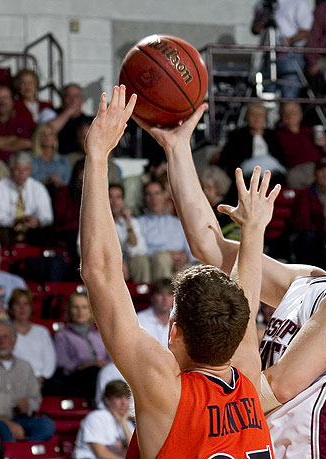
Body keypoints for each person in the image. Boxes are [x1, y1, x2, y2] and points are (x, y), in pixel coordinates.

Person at [136, 91, 326, 457]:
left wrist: (195, 406)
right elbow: (210, 247)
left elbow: (280, 386)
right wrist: (176, 148)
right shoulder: (308, 281)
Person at [80, 86, 274, 459]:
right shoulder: (248, 374)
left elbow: (100, 271)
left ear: (174, 332)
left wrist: (97, 154)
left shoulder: (165, 389)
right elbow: (245, 304)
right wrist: (253, 233)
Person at [0, 321, 54, 442]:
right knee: (2, 429)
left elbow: (35, 397)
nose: (1, 341)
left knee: (46, 425)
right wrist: (5, 421)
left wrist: (28, 405)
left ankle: (25, 454)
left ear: (14, 340)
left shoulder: (25, 366)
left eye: (6, 337)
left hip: (20, 418)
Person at [0, 151, 54, 247]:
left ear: (31, 171)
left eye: (25, 169)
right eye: (17, 169)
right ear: (10, 170)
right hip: (8, 230)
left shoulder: (38, 187)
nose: (21, 173)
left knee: (48, 232)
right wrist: (15, 221)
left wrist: (37, 221)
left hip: (33, 230)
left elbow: (47, 216)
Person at [251, 0, 313, 98]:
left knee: (289, 95)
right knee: (267, 94)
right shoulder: (262, 4)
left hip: (290, 54)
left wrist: (290, 40)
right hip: (268, 54)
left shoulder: (298, 3)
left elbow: (306, 30)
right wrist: (261, 20)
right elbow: (255, 29)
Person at [53, 292, 109, 399]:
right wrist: (87, 364)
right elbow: (63, 363)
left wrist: (105, 364)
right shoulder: (62, 335)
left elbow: (111, 358)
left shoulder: (100, 335)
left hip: (103, 372)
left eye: (84, 307)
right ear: (69, 311)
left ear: (90, 311)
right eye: (76, 307)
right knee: (94, 372)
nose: (80, 312)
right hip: (77, 376)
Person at [135, 181, 193, 282]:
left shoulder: (178, 223)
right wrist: (168, 254)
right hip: (156, 261)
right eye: (149, 194)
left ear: (164, 196)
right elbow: (139, 250)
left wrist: (186, 257)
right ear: (145, 199)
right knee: (162, 258)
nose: (154, 198)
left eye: (157, 193)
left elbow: (191, 249)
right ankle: (165, 296)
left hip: (179, 263)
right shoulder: (139, 223)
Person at [216, 102, 285, 179]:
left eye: (260, 115)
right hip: (247, 172)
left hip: (271, 170)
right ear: (247, 117)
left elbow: (280, 156)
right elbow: (229, 158)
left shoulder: (272, 135)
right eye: (253, 115)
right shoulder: (238, 135)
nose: (257, 118)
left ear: (265, 118)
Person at [72, 380, 134, 459]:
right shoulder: (96, 417)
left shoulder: (126, 421)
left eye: (127, 398)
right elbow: (101, 453)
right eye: (118, 397)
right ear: (107, 400)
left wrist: (124, 423)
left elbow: (134, 451)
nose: (124, 402)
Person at [8, 289, 56, 387]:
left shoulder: (42, 331)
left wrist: (42, 377)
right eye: (18, 304)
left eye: (26, 304)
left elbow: (50, 359)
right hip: (15, 380)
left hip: (41, 380)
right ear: (11, 308)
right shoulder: (5, 331)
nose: (22, 308)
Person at [276, 102, 326, 189]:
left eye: (293, 112)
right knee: (293, 177)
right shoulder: (277, 135)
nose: (290, 115)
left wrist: (324, 145)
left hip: (318, 167)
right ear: (281, 116)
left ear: (300, 115)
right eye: (286, 113)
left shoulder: (309, 131)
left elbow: (324, 152)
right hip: (296, 169)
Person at [105, 183, 148, 283]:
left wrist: (128, 222)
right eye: (110, 197)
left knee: (140, 261)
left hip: (128, 261)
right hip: (106, 261)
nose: (114, 202)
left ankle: (142, 294)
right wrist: (117, 261)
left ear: (123, 201)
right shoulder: (96, 222)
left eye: (118, 197)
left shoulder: (132, 222)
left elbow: (137, 248)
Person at [49, 83, 93, 155]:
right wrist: (69, 112)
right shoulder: (52, 114)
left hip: (83, 158)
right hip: (59, 158)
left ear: (81, 100)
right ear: (62, 100)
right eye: (68, 96)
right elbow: (47, 130)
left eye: (76, 96)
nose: (72, 100)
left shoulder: (89, 120)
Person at [30, 123, 71, 189]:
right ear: (38, 137)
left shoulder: (63, 161)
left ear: (55, 138)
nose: (47, 137)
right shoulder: (30, 159)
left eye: (50, 134)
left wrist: (58, 181)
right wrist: (46, 182)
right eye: (43, 134)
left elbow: (66, 183)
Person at [136, 279, 173, 347]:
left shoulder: (180, 319)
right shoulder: (139, 319)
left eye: (169, 294)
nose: (165, 298)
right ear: (152, 297)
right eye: (160, 294)